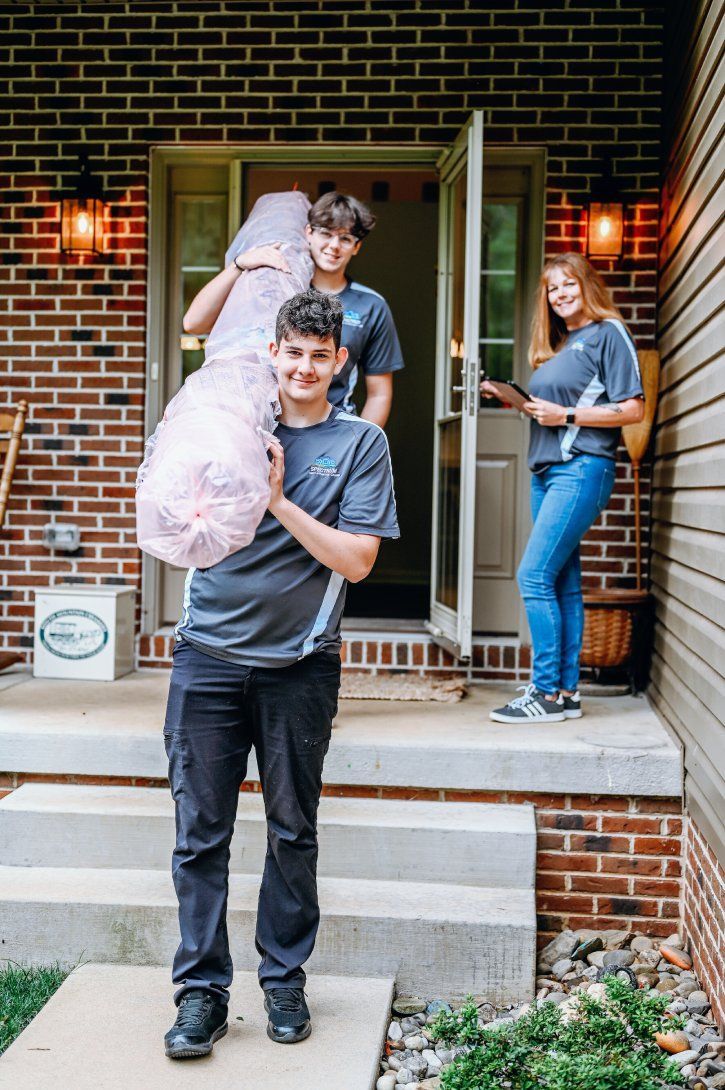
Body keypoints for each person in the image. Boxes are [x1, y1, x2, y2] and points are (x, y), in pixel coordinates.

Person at [163, 289, 399, 1058]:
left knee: (292, 832)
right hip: (207, 659)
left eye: (317, 355)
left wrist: (277, 501)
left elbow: (358, 562)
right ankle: (200, 993)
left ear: (339, 362)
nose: (302, 366)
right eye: (290, 351)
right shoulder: (231, 426)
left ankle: (284, 980)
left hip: (298, 666)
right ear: (272, 353)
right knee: (200, 835)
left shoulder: (360, 443)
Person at [482, 252, 644, 724]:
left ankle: (545, 692)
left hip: (580, 468)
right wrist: (521, 403)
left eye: (568, 284)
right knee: (561, 582)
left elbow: (632, 409)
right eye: (552, 289)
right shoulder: (567, 342)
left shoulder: (608, 332)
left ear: (586, 284)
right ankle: (567, 692)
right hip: (550, 471)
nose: (560, 294)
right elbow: (557, 409)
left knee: (533, 576)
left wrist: (565, 415)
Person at [183, 191, 404, 427]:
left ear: (356, 246)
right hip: (270, 427)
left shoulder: (370, 305)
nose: (333, 246)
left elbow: (379, 393)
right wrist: (239, 265)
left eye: (345, 239)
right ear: (308, 232)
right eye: (326, 234)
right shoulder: (274, 287)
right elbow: (193, 324)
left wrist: (358, 447)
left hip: (333, 434)